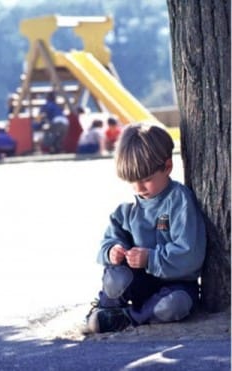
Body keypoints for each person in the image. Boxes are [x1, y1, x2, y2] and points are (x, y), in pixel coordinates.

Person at [83, 123, 206, 334]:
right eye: (132, 182)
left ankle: (127, 319)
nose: (139, 189)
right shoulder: (128, 208)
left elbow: (190, 255)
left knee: (174, 305)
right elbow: (107, 242)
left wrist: (150, 258)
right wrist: (113, 250)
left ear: (167, 167)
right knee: (116, 277)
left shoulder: (179, 200)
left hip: (176, 284)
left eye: (146, 180)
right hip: (140, 282)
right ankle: (106, 308)